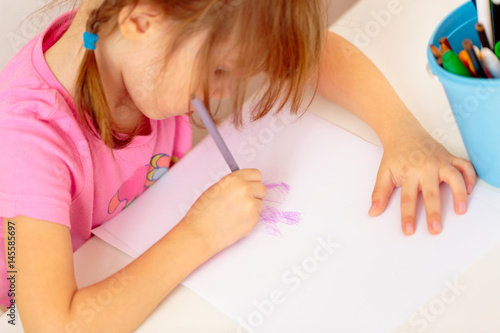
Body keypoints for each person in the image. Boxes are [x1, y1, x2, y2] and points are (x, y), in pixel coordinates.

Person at [0, 0, 476, 331]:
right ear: (141, 22)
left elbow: (320, 55)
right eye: (221, 70)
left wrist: (404, 134)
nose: (225, 93)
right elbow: (55, 325)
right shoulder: (28, 137)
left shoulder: (128, 47)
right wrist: (199, 235)